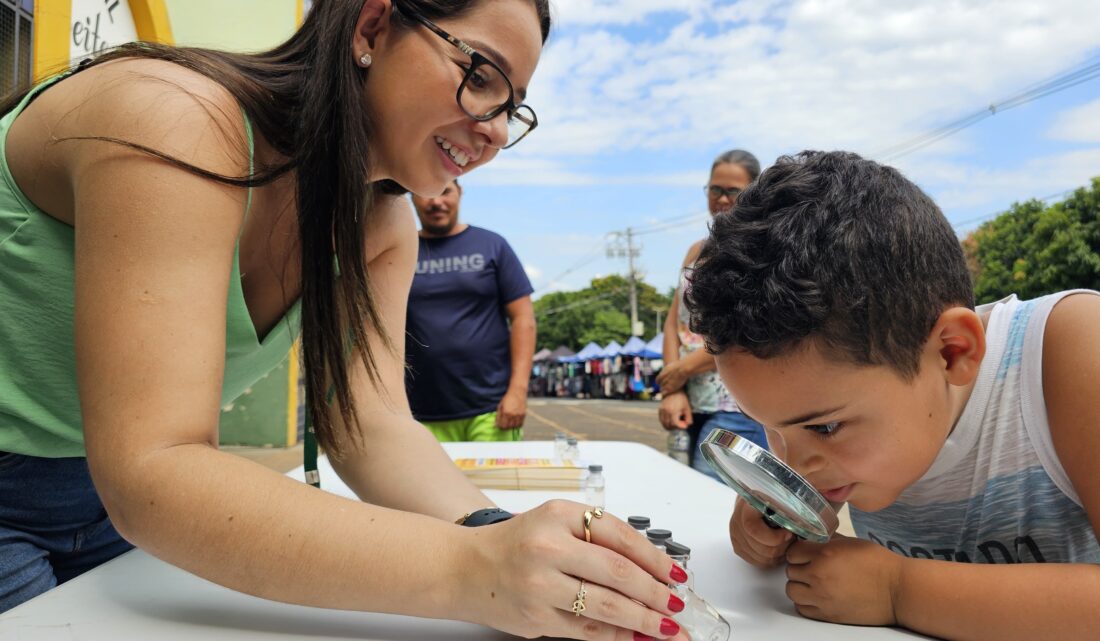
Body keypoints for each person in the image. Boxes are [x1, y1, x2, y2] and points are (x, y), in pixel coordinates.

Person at [0, 2, 693, 638]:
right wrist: (475, 568)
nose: (496, 129)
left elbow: (370, 425)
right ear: (371, 28)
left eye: (514, 108)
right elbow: (153, 469)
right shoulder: (177, 115)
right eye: (482, 76)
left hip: (110, 512)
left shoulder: (382, 222)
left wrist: (500, 535)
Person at [686, 150, 1100, 640]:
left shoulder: (1073, 348)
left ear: (951, 352)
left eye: (825, 427)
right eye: (770, 428)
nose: (795, 464)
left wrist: (899, 590)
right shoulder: (863, 394)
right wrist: (784, 519)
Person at [657, 150, 769, 480]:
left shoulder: (762, 250)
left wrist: (682, 370)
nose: (722, 199)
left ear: (754, 192)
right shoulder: (697, 250)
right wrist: (673, 390)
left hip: (737, 407)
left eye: (733, 191)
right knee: (686, 493)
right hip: (691, 403)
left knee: (711, 502)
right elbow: (675, 321)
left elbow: (750, 330)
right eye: (715, 189)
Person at [406, 178, 536, 441]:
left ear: (460, 192)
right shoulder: (401, 250)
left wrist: (518, 391)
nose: (437, 202)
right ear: (412, 197)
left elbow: (523, 319)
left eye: (445, 191)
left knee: (495, 472)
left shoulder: (492, 245)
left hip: (491, 411)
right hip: (416, 413)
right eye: (427, 193)